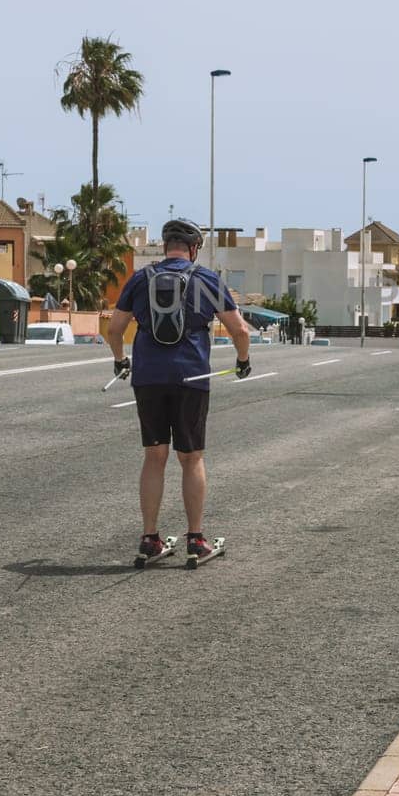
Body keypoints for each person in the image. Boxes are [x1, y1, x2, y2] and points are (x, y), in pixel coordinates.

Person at [106, 218, 252, 566]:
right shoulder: (205, 278)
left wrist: (120, 360)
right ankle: (196, 539)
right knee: (191, 458)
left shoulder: (141, 278)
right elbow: (240, 330)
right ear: (193, 248)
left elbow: (114, 329)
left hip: (148, 378)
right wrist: (243, 360)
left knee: (154, 457)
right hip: (191, 377)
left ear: (165, 245)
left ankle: (150, 538)